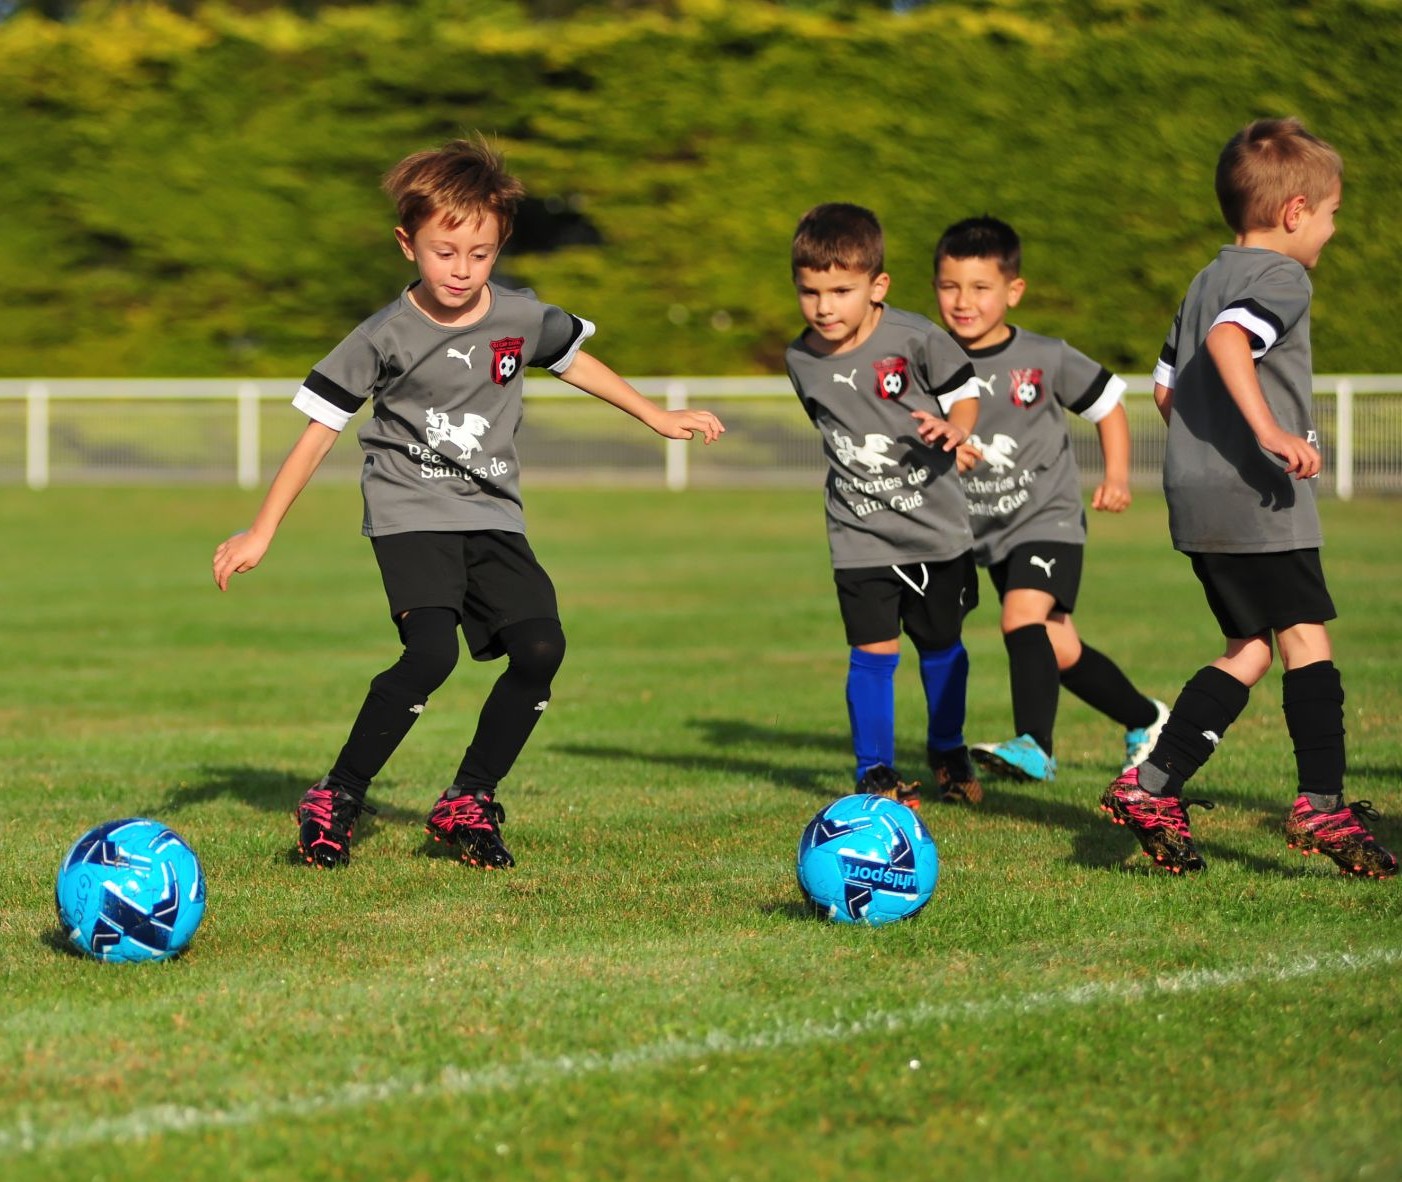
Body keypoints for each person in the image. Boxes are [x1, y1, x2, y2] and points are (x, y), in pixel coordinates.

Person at [211, 136, 724, 870]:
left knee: (542, 648)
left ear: (499, 245)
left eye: (479, 253)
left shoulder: (519, 316)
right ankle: (338, 795)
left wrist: (656, 415)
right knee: (429, 655)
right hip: (408, 511)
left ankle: (467, 800)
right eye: (444, 251)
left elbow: (574, 358)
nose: (461, 269)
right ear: (406, 244)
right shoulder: (382, 335)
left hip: (491, 514)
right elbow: (320, 432)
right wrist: (262, 530)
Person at [1099, 117, 1395, 877]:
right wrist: (1264, 432)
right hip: (1257, 499)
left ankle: (1154, 786)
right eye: (1331, 215)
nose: (1331, 230)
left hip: (1197, 498)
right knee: (1307, 641)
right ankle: (1322, 808)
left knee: (1251, 649)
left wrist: (1208, 451)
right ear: (1295, 211)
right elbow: (1234, 344)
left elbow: (1166, 389)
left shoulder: (1207, 276)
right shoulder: (1284, 277)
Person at [932, 216, 1169, 784]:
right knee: (1058, 647)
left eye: (980, 287)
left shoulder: (1043, 356)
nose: (963, 301)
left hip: (1049, 518)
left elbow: (1108, 403)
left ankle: (1035, 744)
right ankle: (1148, 718)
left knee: (1021, 618)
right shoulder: (928, 359)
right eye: (949, 286)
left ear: (1013, 291)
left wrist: (1117, 474)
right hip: (986, 532)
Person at [785, 202, 984, 808]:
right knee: (872, 651)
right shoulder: (801, 360)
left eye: (840, 291)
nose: (824, 307)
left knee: (941, 648)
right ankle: (875, 772)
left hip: (936, 531)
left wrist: (957, 431)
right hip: (858, 535)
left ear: (877, 286)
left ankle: (948, 749)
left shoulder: (918, 338)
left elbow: (965, 394)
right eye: (809, 292)